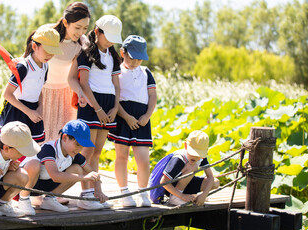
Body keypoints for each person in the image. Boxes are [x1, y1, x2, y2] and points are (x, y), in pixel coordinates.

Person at [75, 15, 123, 209]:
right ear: (96, 32)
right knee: (86, 152)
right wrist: (99, 109)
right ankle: (85, 194)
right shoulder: (86, 53)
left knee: (97, 152)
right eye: (107, 36)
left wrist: (114, 108)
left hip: (108, 105)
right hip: (92, 105)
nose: (110, 41)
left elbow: (117, 86)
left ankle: (97, 192)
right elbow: (84, 83)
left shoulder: (113, 56)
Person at [107, 35, 157, 207]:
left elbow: (152, 96)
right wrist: (126, 117)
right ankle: (124, 192)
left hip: (142, 119)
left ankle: (143, 193)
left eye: (139, 59)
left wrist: (147, 116)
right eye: (132, 57)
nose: (135, 61)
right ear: (122, 52)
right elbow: (115, 97)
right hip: (123, 118)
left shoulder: (146, 73)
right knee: (122, 156)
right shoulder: (116, 71)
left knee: (143, 159)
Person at [17, 120, 106, 214]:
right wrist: (83, 178)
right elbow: (55, 176)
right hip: (23, 184)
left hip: (44, 186)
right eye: (77, 144)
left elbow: (92, 172)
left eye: (82, 146)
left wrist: (98, 191)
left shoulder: (74, 155)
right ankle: (23, 200)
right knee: (34, 164)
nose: (79, 149)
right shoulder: (49, 149)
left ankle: (50, 199)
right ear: (64, 138)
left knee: (77, 169)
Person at [0, 25, 63, 143]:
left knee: (32, 149)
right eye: (47, 51)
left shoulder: (45, 66)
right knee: (13, 148)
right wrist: (29, 112)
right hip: (18, 110)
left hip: (34, 109)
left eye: (53, 52)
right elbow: (7, 94)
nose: (50, 55)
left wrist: (40, 107)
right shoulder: (23, 67)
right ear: (34, 46)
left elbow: (40, 89)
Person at [41, 2, 91, 142]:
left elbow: (72, 77)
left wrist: (81, 93)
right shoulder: (47, 33)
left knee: (61, 140)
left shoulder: (81, 44)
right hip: (42, 92)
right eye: (77, 27)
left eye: (85, 28)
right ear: (65, 22)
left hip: (65, 95)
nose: (81, 32)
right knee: (40, 137)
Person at [149, 130, 220, 206]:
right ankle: (175, 199)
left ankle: (191, 196)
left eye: (199, 154)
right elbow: (163, 182)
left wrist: (203, 195)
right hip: (171, 188)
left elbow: (210, 177)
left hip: (186, 184)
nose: (195, 157)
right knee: (192, 166)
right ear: (186, 146)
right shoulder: (179, 159)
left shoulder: (201, 158)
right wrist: (181, 196)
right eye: (193, 153)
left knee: (216, 183)